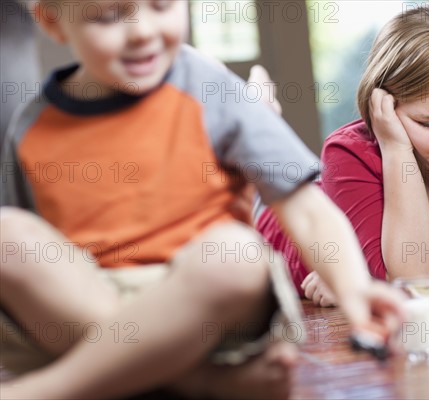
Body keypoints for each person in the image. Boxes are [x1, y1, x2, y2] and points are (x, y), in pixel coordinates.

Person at [0, 1, 404, 398]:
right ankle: (194, 381)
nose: (142, 30)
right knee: (7, 233)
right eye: (109, 15)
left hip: (210, 311)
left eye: (161, 6)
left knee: (236, 253)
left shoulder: (210, 88)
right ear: (53, 22)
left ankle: (52, 389)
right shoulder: (32, 127)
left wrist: (353, 289)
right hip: (89, 303)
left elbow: (306, 208)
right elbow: (39, 265)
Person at [257, 4, 429, 307]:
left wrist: (369, 281)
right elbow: (413, 277)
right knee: (255, 179)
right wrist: (395, 147)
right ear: (384, 106)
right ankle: (260, 118)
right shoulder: (346, 153)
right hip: (276, 225)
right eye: (428, 122)